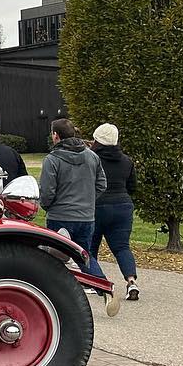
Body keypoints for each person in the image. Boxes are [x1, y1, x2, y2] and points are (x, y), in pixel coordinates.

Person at [40, 118, 121, 315]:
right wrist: (87, 200)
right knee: (85, 255)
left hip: (60, 215)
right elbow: (101, 184)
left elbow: (48, 191)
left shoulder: (53, 159)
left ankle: (52, 298)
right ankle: (105, 288)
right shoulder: (91, 156)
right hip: (86, 216)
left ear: (55, 135)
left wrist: (47, 205)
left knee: (53, 257)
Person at [89, 123, 139, 301]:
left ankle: (94, 281)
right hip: (122, 206)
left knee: (90, 246)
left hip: (96, 206)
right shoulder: (126, 160)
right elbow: (132, 187)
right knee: (122, 247)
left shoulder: (92, 159)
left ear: (97, 140)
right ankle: (131, 281)